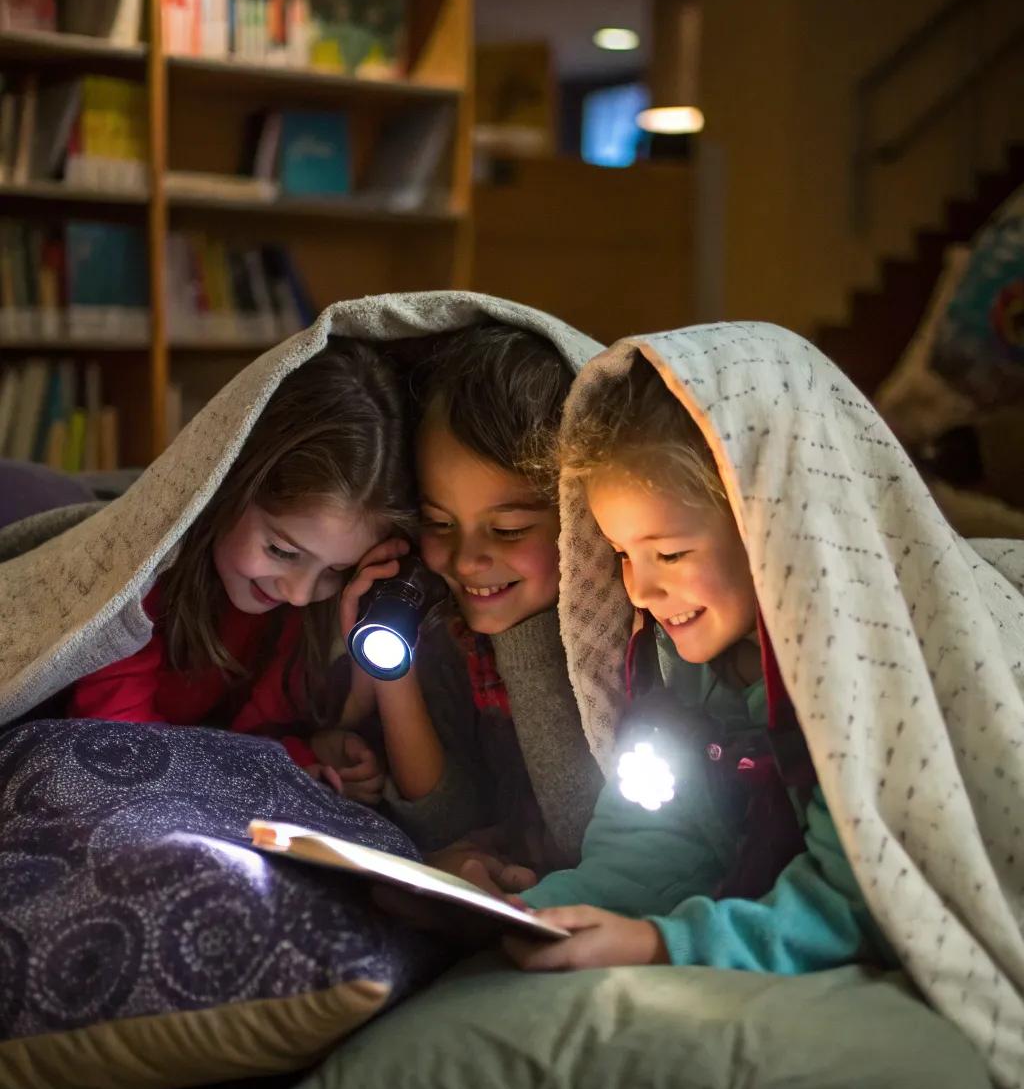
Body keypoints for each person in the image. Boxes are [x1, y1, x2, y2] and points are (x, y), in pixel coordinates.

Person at [505, 354, 897, 973]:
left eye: (672, 552)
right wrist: (528, 910)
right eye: (621, 554)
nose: (638, 590)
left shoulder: (867, 676)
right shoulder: (674, 672)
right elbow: (656, 844)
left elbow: (861, 900)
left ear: (775, 530)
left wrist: (664, 945)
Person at [68, 339, 410, 802]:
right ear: (226, 483)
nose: (300, 593)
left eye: (337, 569)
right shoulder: (135, 583)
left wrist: (304, 752)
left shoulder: (299, 612)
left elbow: (254, 732)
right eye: (283, 551)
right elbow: (117, 743)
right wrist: (266, 768)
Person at [339, 323, 603, 887]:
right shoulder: (448, 627)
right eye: (439, 523)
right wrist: (390, 660)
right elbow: (441, 824)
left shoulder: (625, 641)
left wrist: (525, 637)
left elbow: (585, 836)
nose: (465, 560)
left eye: (507, 529)